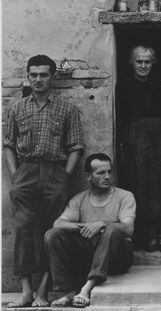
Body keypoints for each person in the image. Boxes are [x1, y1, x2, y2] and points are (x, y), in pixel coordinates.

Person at [3, 55, 84, 308]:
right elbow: (9, 145)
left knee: (53, 232)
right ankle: (26, 292)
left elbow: (76, 146)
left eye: (44, 75)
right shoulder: (17, 108)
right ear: (28, 76)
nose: (38, 80)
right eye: (33, 75)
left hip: (55, 173)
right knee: (25, 230)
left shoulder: (66, 108)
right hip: (25, 174)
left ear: (53, 77)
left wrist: (64, 176)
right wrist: (16, 176)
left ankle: (43, 293)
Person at [45, 153, 136, 307]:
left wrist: (101, 224)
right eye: (101, 173)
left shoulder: (125, 196)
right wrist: (86, 226)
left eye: (109, 172)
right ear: (88, 176)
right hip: (90, 256)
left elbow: (128, 228)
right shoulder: (79, 199)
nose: (107, 176)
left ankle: (87, 287)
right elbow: (58, 224)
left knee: (112, 229)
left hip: (119, 257)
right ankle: (64, 291)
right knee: (52, 235)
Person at [117, 45, 161, 252]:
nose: (143, 66)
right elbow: (121, 119)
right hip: (136, 137)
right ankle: (149, 234)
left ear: (153, 63)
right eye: (139, 61)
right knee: (141, 183)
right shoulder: (123, 85)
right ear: (131, 63)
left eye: (147, 62)